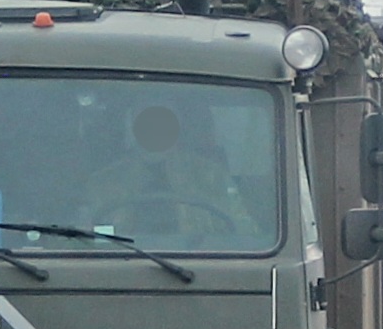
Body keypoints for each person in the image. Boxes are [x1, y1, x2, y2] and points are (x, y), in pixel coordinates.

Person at [87, 104, 259, 243]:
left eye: (162, 119)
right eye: (148, 120)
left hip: (200, 266)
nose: (155, 126)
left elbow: (244, 232)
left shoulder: (211, 175)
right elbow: (89, 238)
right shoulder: (105, 181)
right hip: (120, 268)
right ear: (134, 124)